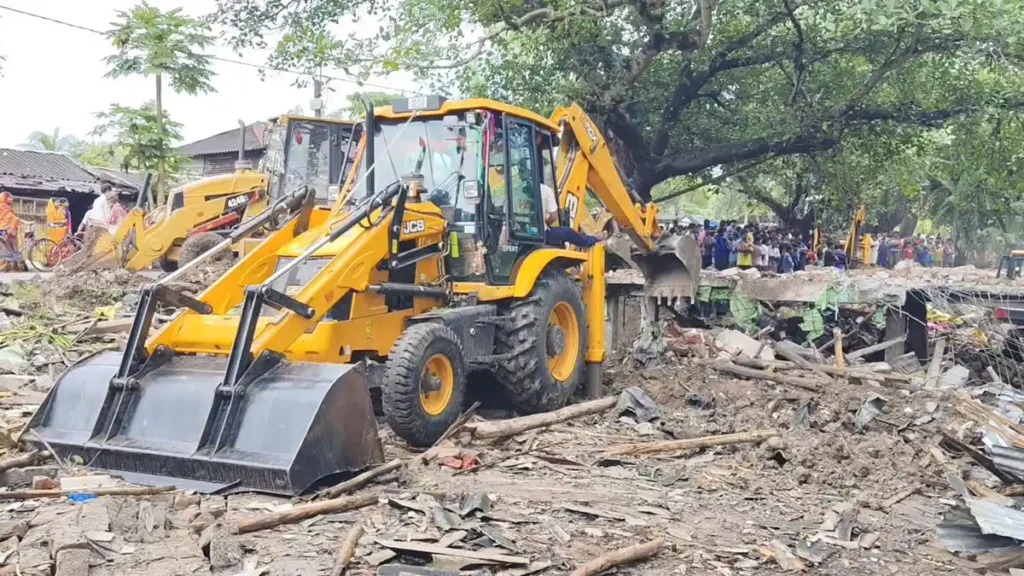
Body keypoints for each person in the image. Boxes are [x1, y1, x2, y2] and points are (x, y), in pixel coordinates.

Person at [541, 183, 605, 248]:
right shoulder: (545, 190)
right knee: (568, 232)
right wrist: (545, 224)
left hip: (532, 237)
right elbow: (553, 217)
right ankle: (592, 240)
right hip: (543, 235)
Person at [0, 191, 21, 256]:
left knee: (9, 247)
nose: (11, 199)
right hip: (4, 229)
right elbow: (11, 217)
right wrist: (16, 220)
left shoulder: (7, 207)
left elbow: (12, 217)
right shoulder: (3, 207)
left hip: (6, 230)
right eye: (9, 198)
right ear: (4, 199)